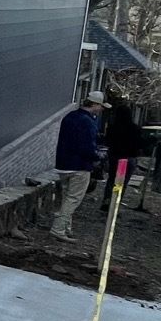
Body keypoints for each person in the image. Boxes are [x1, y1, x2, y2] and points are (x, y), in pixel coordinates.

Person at [51, 93, 107, 240]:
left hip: (63, 164)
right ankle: (58, 229)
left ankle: (66, 228)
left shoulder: (70, 116)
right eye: (101, 106)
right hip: (79, 166)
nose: (101, 109)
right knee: (73, 199)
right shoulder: (88, 122)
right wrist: (97, 156)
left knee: (66, 197)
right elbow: (87, 147)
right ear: (94, 104)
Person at [101, 91, 147, 209]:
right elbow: (140, 144)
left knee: (112, 179)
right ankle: (115, 202)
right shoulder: (135, 128)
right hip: (128, 158)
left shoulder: (112, 127)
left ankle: (107, 199)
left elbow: (107, 141)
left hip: (115, 156)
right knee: (122, 182)